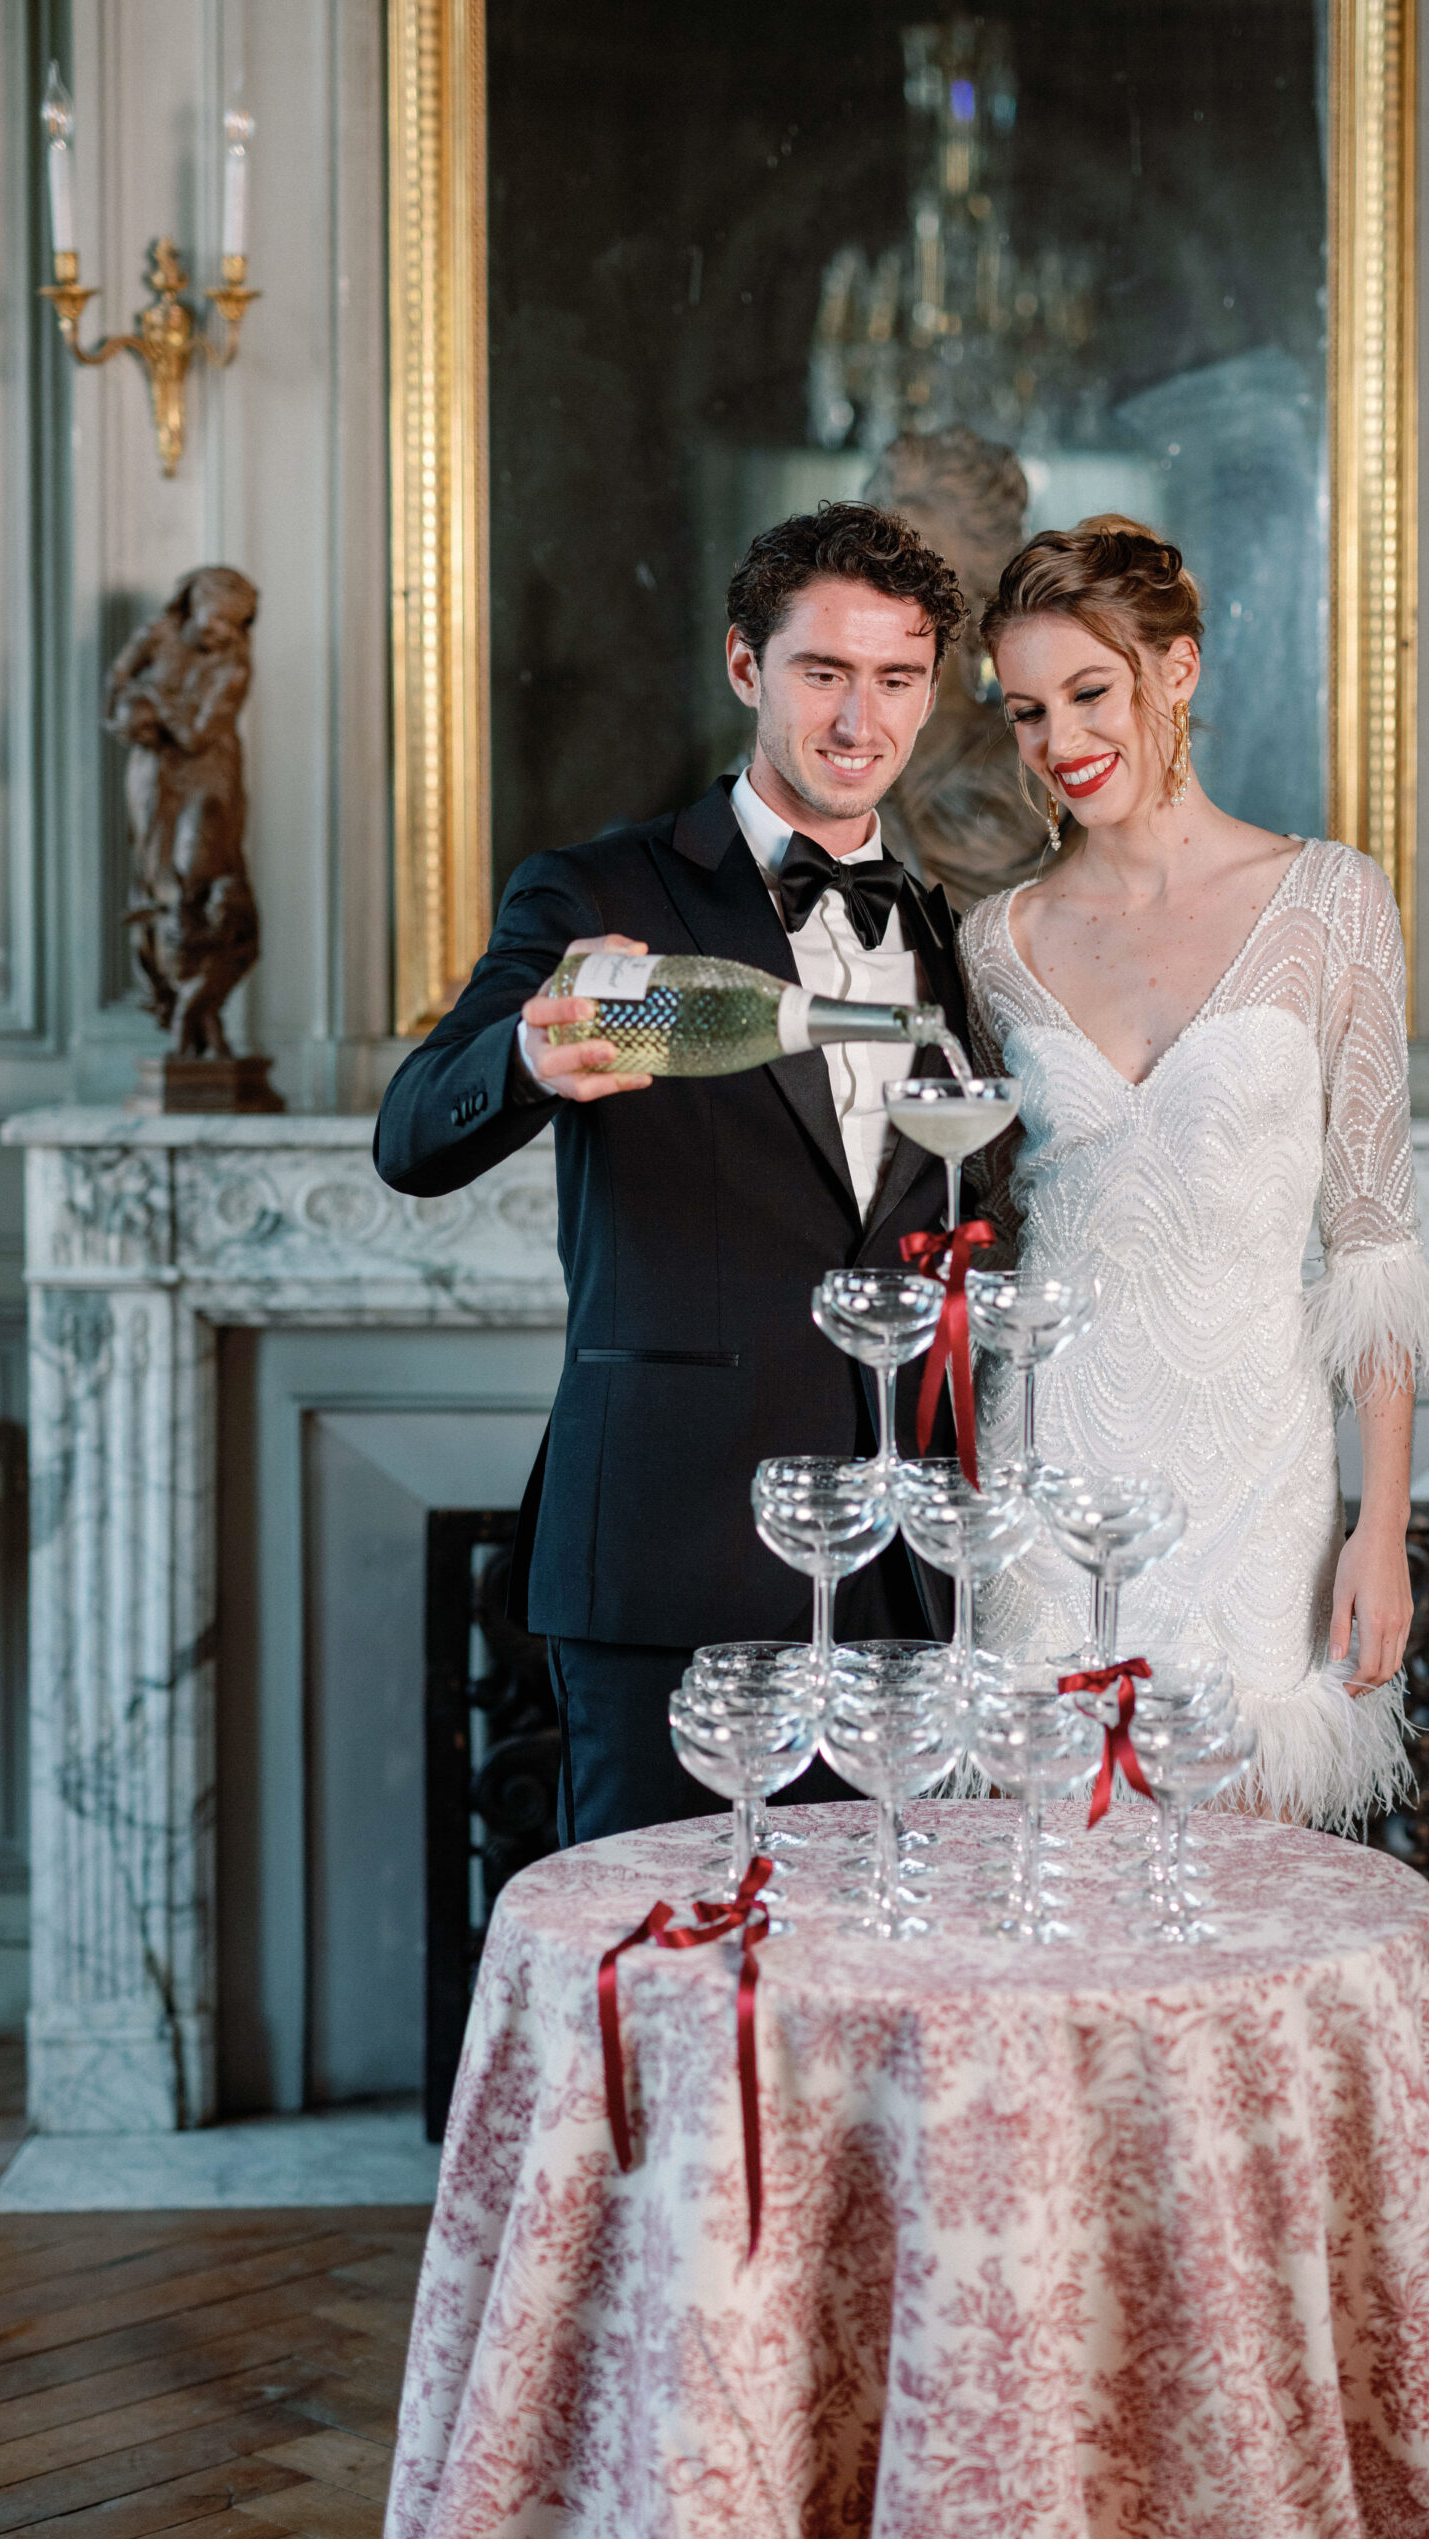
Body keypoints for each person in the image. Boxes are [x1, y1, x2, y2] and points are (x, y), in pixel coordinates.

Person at [374, 503, 970, 1842]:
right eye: (823, 672)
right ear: (746, 668)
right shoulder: (598, 893)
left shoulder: (947, 932)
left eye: (896, 679)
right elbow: (410, 1134)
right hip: (671, 1549)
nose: (857, 720)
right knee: (656, 1978)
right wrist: (528, 1060)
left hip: (901, 1580)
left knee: (877, 2002)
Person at [960, 516, 1429, 1828]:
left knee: (1237, 1905)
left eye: (1089, 692)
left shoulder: (1331, 901)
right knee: (1045, 1904)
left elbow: (1371, 1238)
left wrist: (1382, 1523)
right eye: (1024, 713)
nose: (1059, 742)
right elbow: (988, 1227)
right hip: (1047, 1469)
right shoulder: (996, 940)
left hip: (1256, 1469)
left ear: (1176, 671)